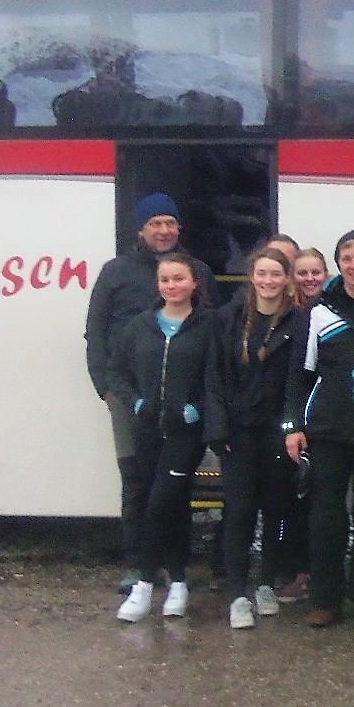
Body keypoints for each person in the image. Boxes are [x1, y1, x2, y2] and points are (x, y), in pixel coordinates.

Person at [84, 192, 215, 588]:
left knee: (176, 484)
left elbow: (216, 331)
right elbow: (96, 331)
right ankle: (139, 564)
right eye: (155, 223)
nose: (163, 230)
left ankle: (176, 566)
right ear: (141, 229)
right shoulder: (116, 272)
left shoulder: (200, 271)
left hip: (181, 403)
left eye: (170, 223)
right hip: (129, 399)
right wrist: (105, 388)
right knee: (136, 481)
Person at [284, 231, 354, 628]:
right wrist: (293, 425)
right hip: (327, 429)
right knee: (326, 516)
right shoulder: (317, 312)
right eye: (347, 258)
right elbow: (299, 375)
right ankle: (325, 598)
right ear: (339, 264)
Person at [110, 251, 213, 622]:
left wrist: (197, 408)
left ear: (194, 283)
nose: (172, 286)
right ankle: (180, 582)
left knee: (158, 503)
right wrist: (137, 403)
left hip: (187, 434)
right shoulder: (140, 326)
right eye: (166, 280)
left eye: (179, 279)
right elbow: (117, 373)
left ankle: (144, 584)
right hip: (148, 431)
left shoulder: (208, 326)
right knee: (172, 505)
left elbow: (217, 377)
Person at [204, 245, 302, 628]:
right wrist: (217, 428)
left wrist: (294, 428)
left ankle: (266, 582)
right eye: (262, 274)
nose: (268, 281)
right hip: (237, 432)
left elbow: (298, 381)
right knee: (240, 511)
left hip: (276, 434)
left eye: (276, 274)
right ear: (252, 277)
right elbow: (212, 377)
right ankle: (237, 592)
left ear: (286, 279)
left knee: (277, 511)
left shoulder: (298, 321)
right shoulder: (227, 319)